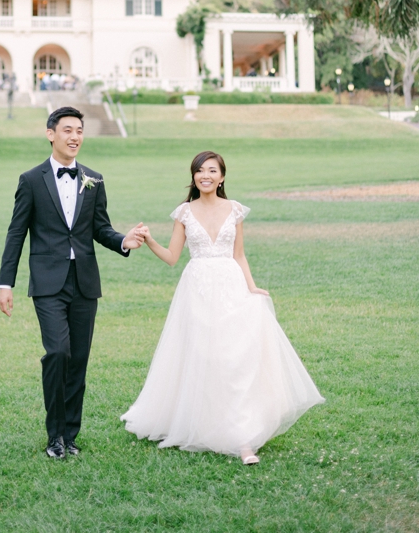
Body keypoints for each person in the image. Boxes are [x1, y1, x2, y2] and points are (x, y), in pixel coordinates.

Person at [121, 151, 323, 464]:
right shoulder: (185, 212)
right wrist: (149, 241)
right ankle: (206, 424)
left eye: (212, 170)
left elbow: (239, 254)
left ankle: (243, 439)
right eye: (200, 171)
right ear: (194, 177)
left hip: (231, 287)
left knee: (235, 359)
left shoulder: (235, 210)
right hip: (198, 289)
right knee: (205, 356)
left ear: (222, 177)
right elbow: (173, 257)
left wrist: (252, 287)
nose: (206, 176)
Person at [0, 107, 148, 459]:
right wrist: (6, 283)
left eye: (79, 130)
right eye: (67, 130)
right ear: (51, 134)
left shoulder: (93, 179)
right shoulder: (31, 180)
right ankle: (54, 437)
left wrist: (123, 241)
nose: (75, 136)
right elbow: (16, 232)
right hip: (47, 284)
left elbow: (99, 227)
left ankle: (70, 436)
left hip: (84, 283)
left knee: (78, 359)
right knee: (58, 354)